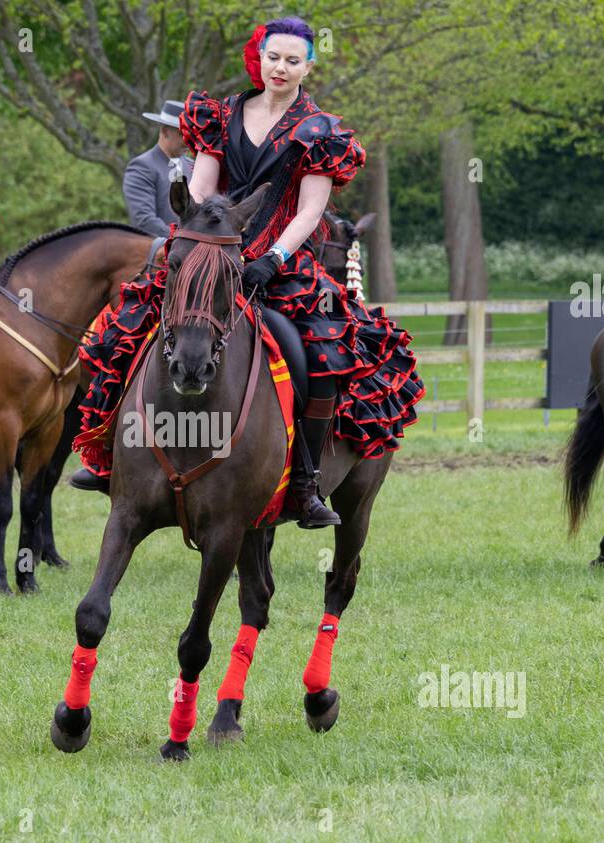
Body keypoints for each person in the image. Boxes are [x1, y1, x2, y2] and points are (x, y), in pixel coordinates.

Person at [70, 16, 424, 528]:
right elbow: (203, 187)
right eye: (273, 57)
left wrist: (273, 258)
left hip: (279, 264)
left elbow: (309, 211)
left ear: (308, 66)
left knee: (322, 358)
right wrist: (191, 232)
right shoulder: (222, 113)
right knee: (121, 331)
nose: (280, 68)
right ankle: (108, 458)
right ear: (259, 58)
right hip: (213, 253)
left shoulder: (320, 131)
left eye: (293, 60)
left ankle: (305, 484)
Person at [123, 100, 195, 237]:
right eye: (182, 134)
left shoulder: (192, 166)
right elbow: (144, 220)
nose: (188, 140)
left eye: (191, 134)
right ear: (165, 131)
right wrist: (182, 239)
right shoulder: (142, 167)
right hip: (156, 253)